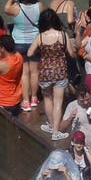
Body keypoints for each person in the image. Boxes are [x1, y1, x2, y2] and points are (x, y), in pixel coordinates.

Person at [32, 9, 71, 138]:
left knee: (48, 99)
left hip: (45, 72)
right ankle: (55, 131)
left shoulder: (40, 37)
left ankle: (50, 124)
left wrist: (42, 52)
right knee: (58, 103)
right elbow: (71, 53)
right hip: (60, 71)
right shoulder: (63, 35)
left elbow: (29, 53)